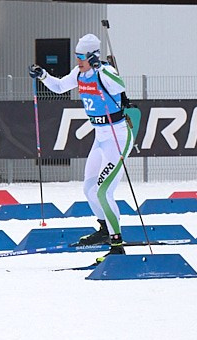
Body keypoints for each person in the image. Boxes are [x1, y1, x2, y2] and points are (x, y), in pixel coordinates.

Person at [32, 32, 130, 253]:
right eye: (76, 56)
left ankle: (117, 244)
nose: (78, 61)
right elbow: (58, 87)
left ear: (93, 56)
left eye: (82, 57)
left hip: (118, 137)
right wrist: (42, 75)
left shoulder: (105, 72)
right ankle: (105, 229)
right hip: (100, 137)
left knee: (103, 191)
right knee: (88, 189)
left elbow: (119, 86)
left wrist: (101, 68)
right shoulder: (79, 72)